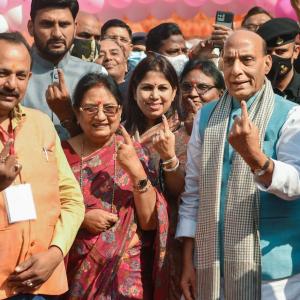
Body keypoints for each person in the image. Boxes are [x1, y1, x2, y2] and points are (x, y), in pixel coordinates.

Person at [177, 29, 300, 300]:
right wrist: (189, 260)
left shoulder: (290, 115)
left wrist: (256, 158)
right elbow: (194, 192)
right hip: (212, 269)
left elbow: (296, 184)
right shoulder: (206, 116)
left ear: (266, 63)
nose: (236, 70)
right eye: (229, 61)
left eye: (247, 60)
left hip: (275, 277)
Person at [61, 73, 168, 299]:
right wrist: (81, 219)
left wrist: (134, 169)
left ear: (120, 111)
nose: (100, 116)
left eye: (109, 109)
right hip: (75, 275)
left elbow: (149, 223)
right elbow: (44, 211)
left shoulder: (136, 153)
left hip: (128, 276)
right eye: (90, 108)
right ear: (77, 112)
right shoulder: (60, 155)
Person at [0, 32, 84, 300]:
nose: (11, 84)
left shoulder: (41, 125)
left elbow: (73, 201)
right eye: (2, 73)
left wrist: (55, 253)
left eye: (21, 75)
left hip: (42, 285)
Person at [125, 54, 188, 300]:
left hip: (169, 240)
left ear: (174, 93)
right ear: (133, 91)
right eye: (147, 88)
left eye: (162, 88)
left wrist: (169, 157)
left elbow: (179, 192)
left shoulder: (183, 133)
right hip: (127, 239)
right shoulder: (120, 132)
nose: (154, 96)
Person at [24, 0, 106, 140]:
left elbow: (103, 138)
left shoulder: (95, 74)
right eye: (47, 24)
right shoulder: (12, 75)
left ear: (74, 28)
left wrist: (67, 116)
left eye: (64, 24)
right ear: (31, 27)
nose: (57, 33)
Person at [257, 17, 300, 104]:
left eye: (281, 52)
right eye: (268, 52)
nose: (273, 58)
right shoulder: (253, 90)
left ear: (295, 52)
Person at [180, 59, 225, 135]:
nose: (192, 94)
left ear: (221, 94)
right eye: (186, 86)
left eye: (203, 87)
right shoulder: (168, 126)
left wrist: (198, 130)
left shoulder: (229, 125)